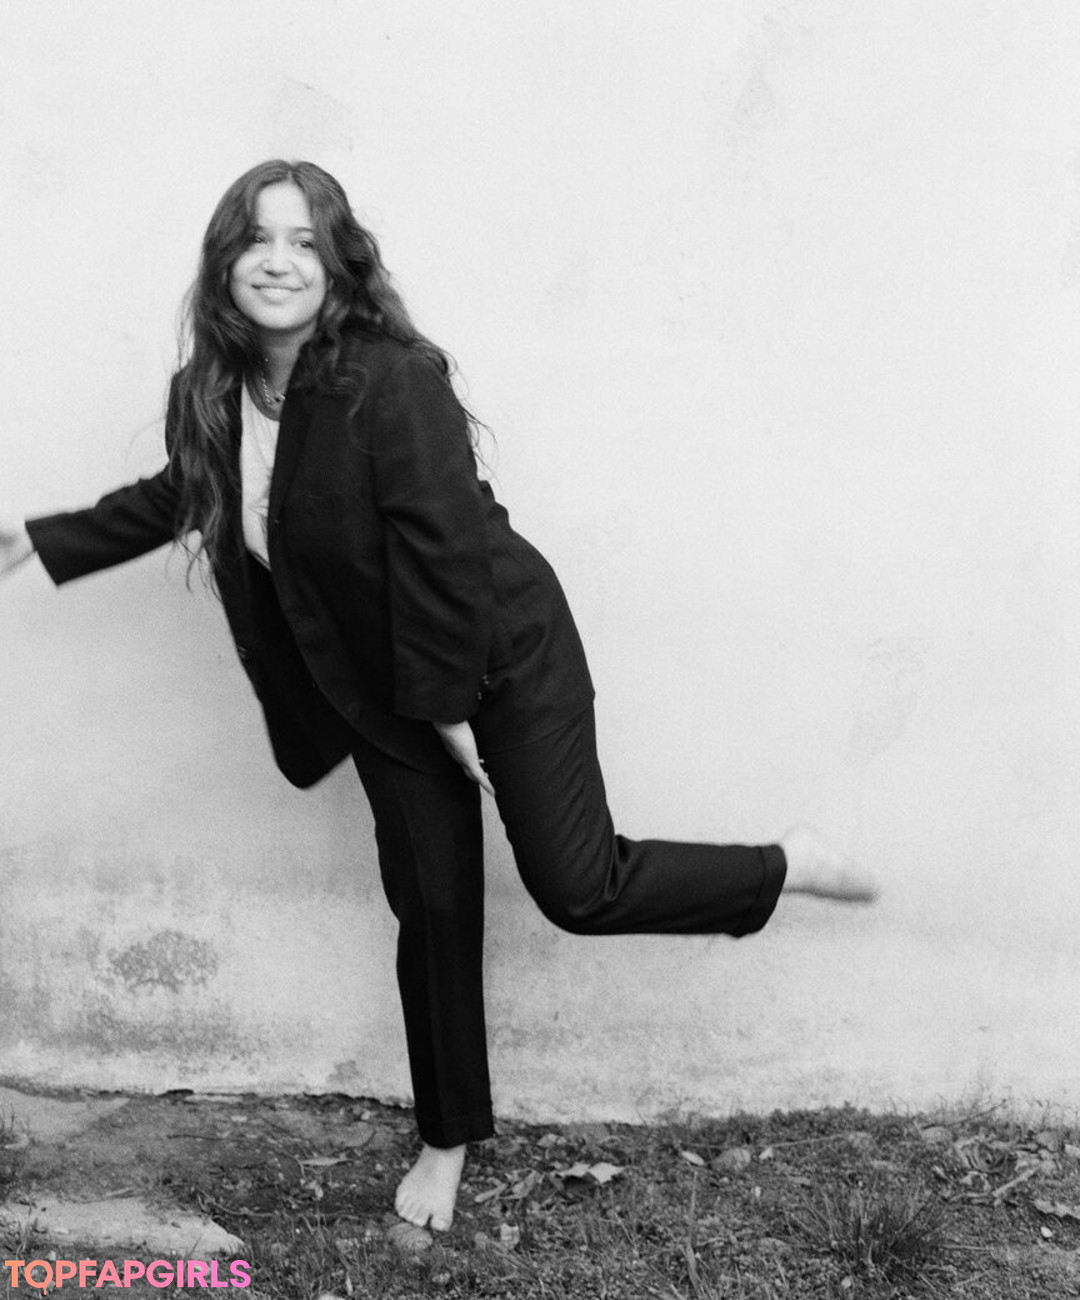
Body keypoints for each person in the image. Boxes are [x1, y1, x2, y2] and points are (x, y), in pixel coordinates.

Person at [0, 159, 878, 1234]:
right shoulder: (220, 392)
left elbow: (444, 554)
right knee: (437, 905)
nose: (278, 261)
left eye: (304, 241)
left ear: (338, 264)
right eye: (256, 239)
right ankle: (447, 1137)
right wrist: (41, 540)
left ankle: (782, 866)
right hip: (382, 687)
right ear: (225, 261)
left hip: (497, 653)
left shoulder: (388, 378)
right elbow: (187, 489)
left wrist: (454, 709)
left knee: (578, 888)